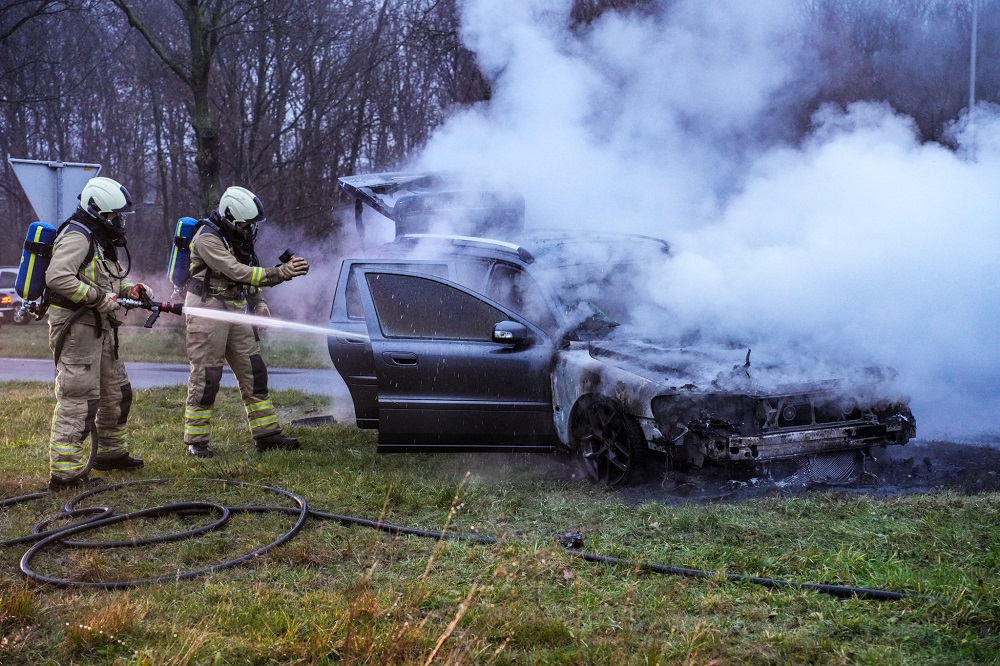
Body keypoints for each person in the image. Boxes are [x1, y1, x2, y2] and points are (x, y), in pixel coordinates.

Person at [182, 186, 310, 457]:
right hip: (208, 311)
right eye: (245, 223)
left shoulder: (239, 237)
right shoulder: (207, 238)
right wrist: (280, 273)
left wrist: (260, 304)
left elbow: (249, 272)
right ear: (230, 217)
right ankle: (197, 440)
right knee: (207, 376)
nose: (250, 229)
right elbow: (237, 271)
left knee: (254, 371)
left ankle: (267, 435)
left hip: (236, 308)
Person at [45, 176, 149, 491]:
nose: (120, 222)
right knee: (79, 398)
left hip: (100, 327)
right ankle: (66, 474)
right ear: (98, 211)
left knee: (117, 391)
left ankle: (111, 454)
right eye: (116, 216)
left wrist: (133, 289)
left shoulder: (100, 238)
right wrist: (97, 299)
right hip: (77, 328)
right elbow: (57, 277)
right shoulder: (77, 236)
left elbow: (110, 282)